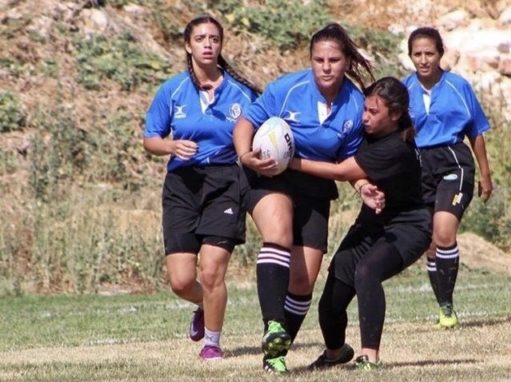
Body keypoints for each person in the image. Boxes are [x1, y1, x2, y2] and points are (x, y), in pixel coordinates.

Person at [232, 23, 375, 374]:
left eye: (334, 60)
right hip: (269, 174)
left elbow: (348, 163)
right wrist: (245, 155)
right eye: (318, 59)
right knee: (278, 230)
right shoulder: (288, 88)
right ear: (310, 60)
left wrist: (362, 187)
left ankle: (275, 356)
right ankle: (273, 325)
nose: (326, 67)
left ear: (346, 62)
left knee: (303, 280)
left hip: (315, 185)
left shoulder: (355, 104)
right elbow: (246, 124)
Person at [290, 77, 431, 370]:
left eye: (373, 112)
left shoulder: (396, 146)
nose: (364, 117)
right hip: (371, 223)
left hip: (408, 227)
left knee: (367, 271)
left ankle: (370, 356)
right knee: (330, 302)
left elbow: (341, 171)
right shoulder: (369, 132)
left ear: (394, 115)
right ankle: (335, 353)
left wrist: (289, 161)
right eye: (364, 109)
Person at [143, 15, 259, 361]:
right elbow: (150, 139)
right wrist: (171, 147)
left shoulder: (242, 93)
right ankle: (204, 305)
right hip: (182, 184)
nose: (208, 44)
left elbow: (262, 132)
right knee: (181, 281)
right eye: (200, 38)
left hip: (224, 181)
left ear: (221, 45)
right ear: (188, 45)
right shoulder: (173, 90)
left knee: (211, 271)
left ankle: (212, 343)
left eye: (214, 39)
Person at [403, 27, 493, 328]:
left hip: (453, 161)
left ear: (440, 54)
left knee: (444, 233)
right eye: (418, 54)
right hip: (418, 167)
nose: (424, 59)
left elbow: (476, 131)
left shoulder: (458, 86)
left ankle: (447, 309)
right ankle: (445, 305)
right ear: (410, 56)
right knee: (430, 243)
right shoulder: (404, 90)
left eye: (430, 53)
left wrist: (485, 173)